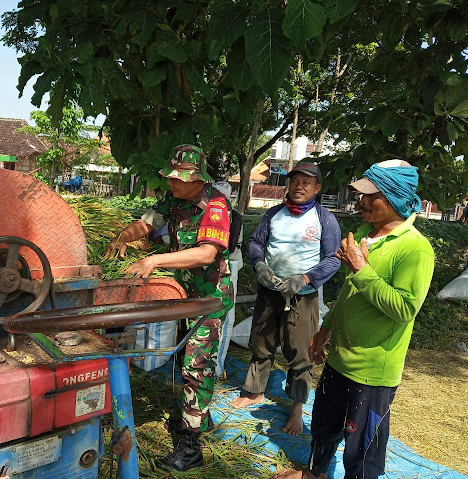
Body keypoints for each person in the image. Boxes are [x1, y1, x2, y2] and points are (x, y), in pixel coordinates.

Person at [279, 160, 435, 479]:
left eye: (369, 195)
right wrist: (326, 328)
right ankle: (314, 474)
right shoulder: (365, 233)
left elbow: (404, 309)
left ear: (393, 197)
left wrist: (361, 269)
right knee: (324, 426)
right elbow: (351, 293)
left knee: (361, 450)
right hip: (339, 359)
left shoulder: (415, 249)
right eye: (360, 194)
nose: (360, 201)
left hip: (372, 371)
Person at [105, 144, 234, 472]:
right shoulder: (174, 200)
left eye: (179, 178)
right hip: (184, 294)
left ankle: (191, 448)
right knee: (184, 357)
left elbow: (206, 254)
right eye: (170, 177)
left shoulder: (215, 204)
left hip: (210, 298)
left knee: (196, 365)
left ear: (197, 179)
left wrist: (155, 259)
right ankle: (195, 417)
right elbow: (147, 223)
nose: (172, 183)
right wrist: (122, 238)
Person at [231, 162, 341, 436]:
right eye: (294, 182)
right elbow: (256, 244)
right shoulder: (273, 215)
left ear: (317, 188)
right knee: (261, 341)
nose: (299, 187)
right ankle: (255, 391)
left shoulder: (324, 219)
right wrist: (260, 267)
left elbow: (333, 260)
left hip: (302, 297)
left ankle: (296, 408)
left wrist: (304, 279)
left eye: (306, 183)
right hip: (270, 292)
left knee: (300, 351)